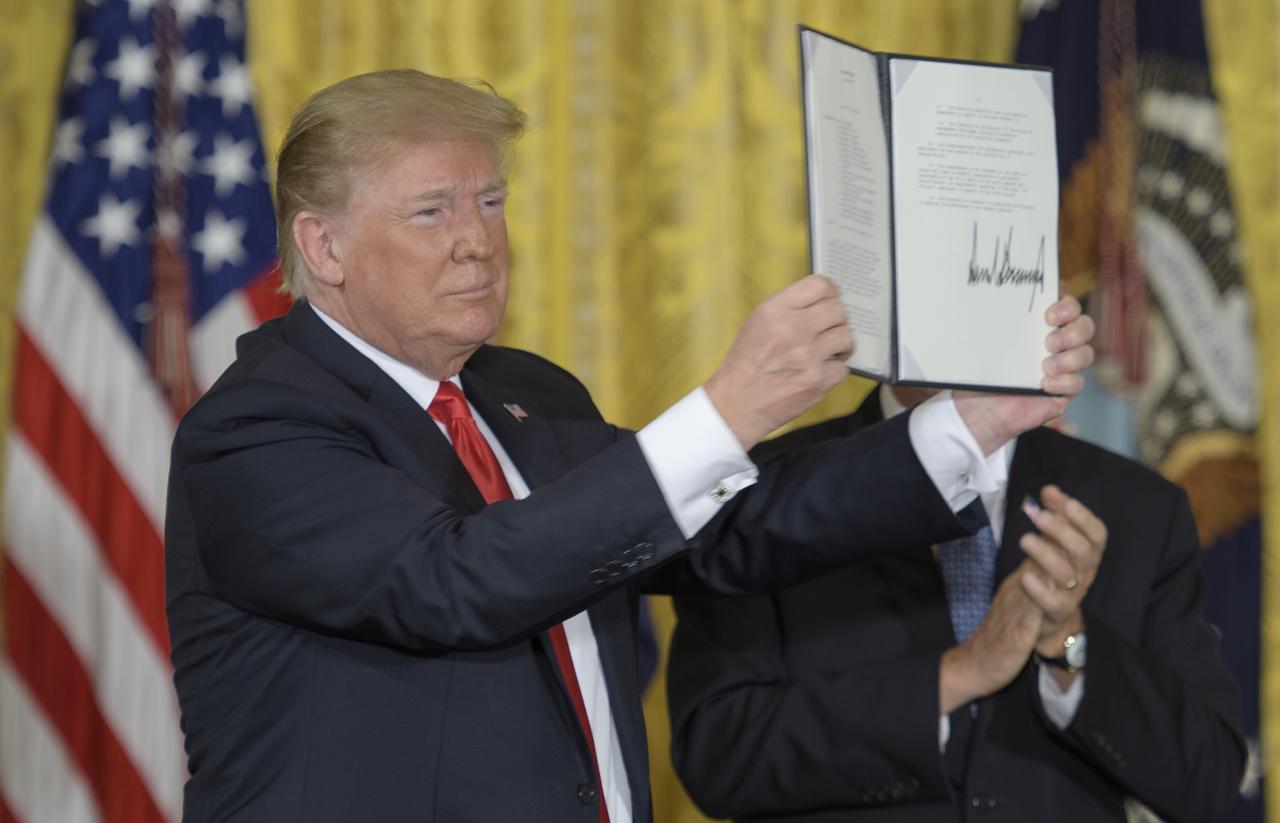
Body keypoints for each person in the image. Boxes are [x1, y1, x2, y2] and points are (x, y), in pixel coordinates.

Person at [164, 70, 1093, 823]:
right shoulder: (255, 430)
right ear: (322, 248)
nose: (478, 243)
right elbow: (458, 581)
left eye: (489, 202)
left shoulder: (527, 394)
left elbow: (730, 525)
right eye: (432, 213)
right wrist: (727, 408)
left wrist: (974, 419)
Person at [667, 384, 1246, 823]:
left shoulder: (1135, 504)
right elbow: (720, 754)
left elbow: (1209, 782)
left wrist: (1068, 642)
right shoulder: (762, 491)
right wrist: (956, 676)